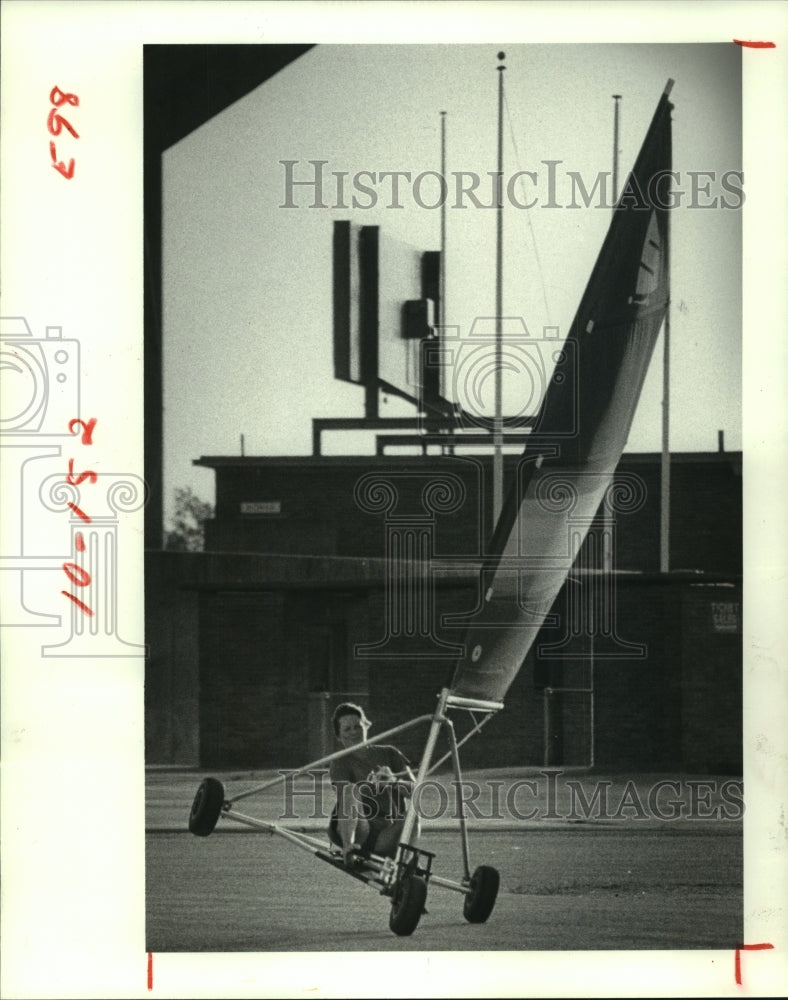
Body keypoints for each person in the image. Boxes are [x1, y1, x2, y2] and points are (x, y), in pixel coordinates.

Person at [327, 702, 418, 867]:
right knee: (350, 789)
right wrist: (370, 785)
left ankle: (402, 867)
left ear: (366, 727)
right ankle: (349, 850)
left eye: (357, 726)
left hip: (385, 834)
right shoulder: (339, 762)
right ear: (339, 736)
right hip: (359, 830)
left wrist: (393, 781)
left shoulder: (389, 753)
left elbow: (416, 792)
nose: (354, 732)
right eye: (347, 729)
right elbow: (345, 796)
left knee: (413, 815)